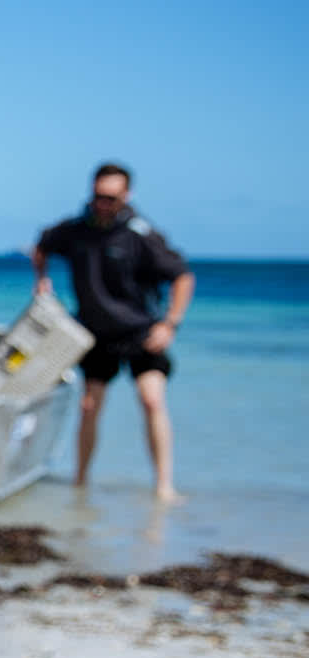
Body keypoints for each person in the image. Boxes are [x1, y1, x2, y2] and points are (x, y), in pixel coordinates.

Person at [31, 163, 194, 502]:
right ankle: (80, 482)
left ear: (125, 196)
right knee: (89, 407)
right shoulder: (75, 230)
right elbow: (41, 246)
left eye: (110, 197)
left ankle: (164, 485)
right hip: (94, 334)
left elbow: (183, 276)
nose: (102, 203)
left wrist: (170, 323)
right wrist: (42, 280)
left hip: (141, 332)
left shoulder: (140, 233)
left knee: (152, 400)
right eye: (97, 197)